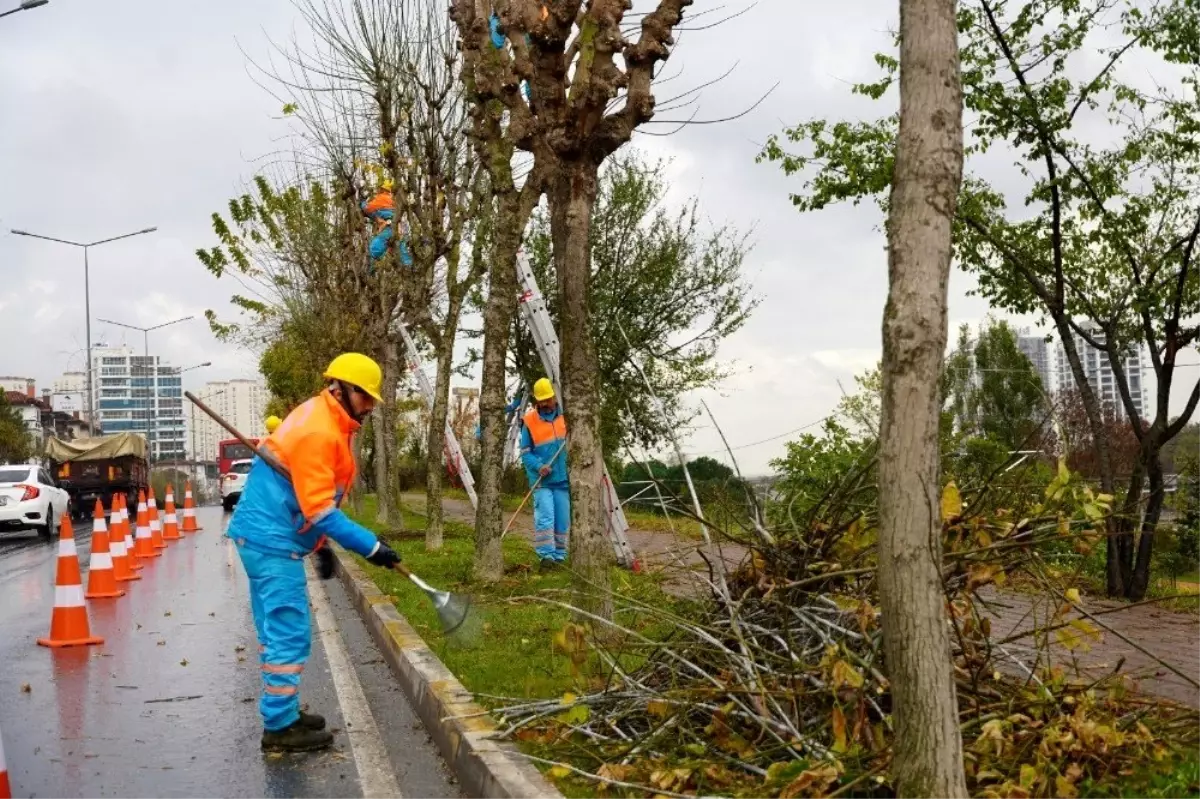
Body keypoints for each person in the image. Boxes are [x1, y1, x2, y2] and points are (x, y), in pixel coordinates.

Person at [227, 353, 403, 753]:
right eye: (367, 397)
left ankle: (283, 712)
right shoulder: (319, 431)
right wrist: (371, 547)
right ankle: (279, 728)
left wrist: (321, 545)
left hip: (265, 536)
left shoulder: (327, 420)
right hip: (272, 542)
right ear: (342, 388)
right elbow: (320, 509)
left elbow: (310, 495)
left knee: (276, 631)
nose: (371, 406)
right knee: (289, 633)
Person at [519, 377, 569, 569]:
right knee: (546, 517)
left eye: (548, 399)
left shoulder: (567, 415)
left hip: (563, 478)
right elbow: (525, 453)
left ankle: (559, 557)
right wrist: (539, 465)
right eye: (542, 400)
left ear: (554, 396)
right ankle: (546, 557)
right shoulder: (529, 421)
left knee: (562, 520)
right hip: (542, 479)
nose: (545, 403)